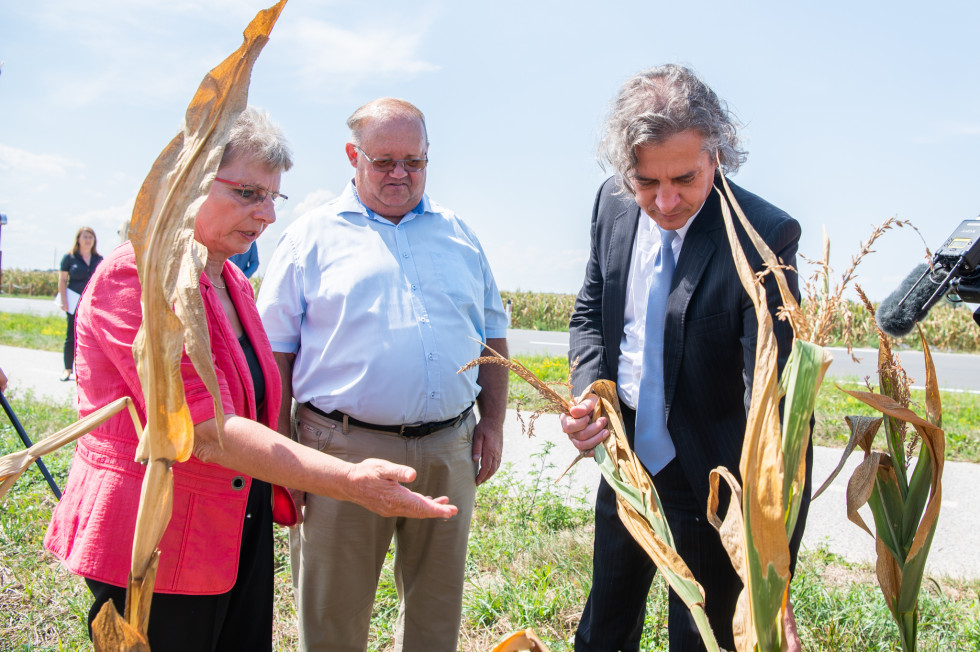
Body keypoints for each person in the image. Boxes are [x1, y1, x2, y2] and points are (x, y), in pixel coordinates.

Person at [44, 106, 457, 652]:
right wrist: (345, 479)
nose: (266, 215)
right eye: (247, 193)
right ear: (190, 182)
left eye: (272, 197)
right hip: (156, 551)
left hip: (231, 536)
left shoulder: (231, 282)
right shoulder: (140, 275)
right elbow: (205, 428)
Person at [560, 65, 812, 652]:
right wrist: (589, 395)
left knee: (703, 640)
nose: (665, 201)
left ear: (717, 156)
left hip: (713, 484)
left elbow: (774, 405)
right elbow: (592, 313)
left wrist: (770, 560)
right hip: (625, 463)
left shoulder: (763, 236)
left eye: (684, 179)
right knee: (603, 629)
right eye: (647, 182)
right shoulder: (612, 206)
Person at [257, 97, 509, 651]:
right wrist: (284, 459)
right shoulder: (310, 237)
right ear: (353, 156)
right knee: (333, 620)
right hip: (337, 450)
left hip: (448, 449)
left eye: (413, 162)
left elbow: (493, 334)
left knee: (436, 616)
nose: (400, 173)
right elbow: (276, 353)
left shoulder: (459, 234)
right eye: (384, 160)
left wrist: (491, 424)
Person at [58, 227, 102, 381]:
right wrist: (63, 300)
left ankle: (88, 370)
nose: (88, 240)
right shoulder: (69, 258)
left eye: (91, 237)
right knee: (72, 335)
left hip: (92, 302)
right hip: (73, 301)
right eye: (85, 237)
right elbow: (62, 280)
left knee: (92, 336)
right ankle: (67, 369)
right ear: (78, 239)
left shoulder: (99, 259)